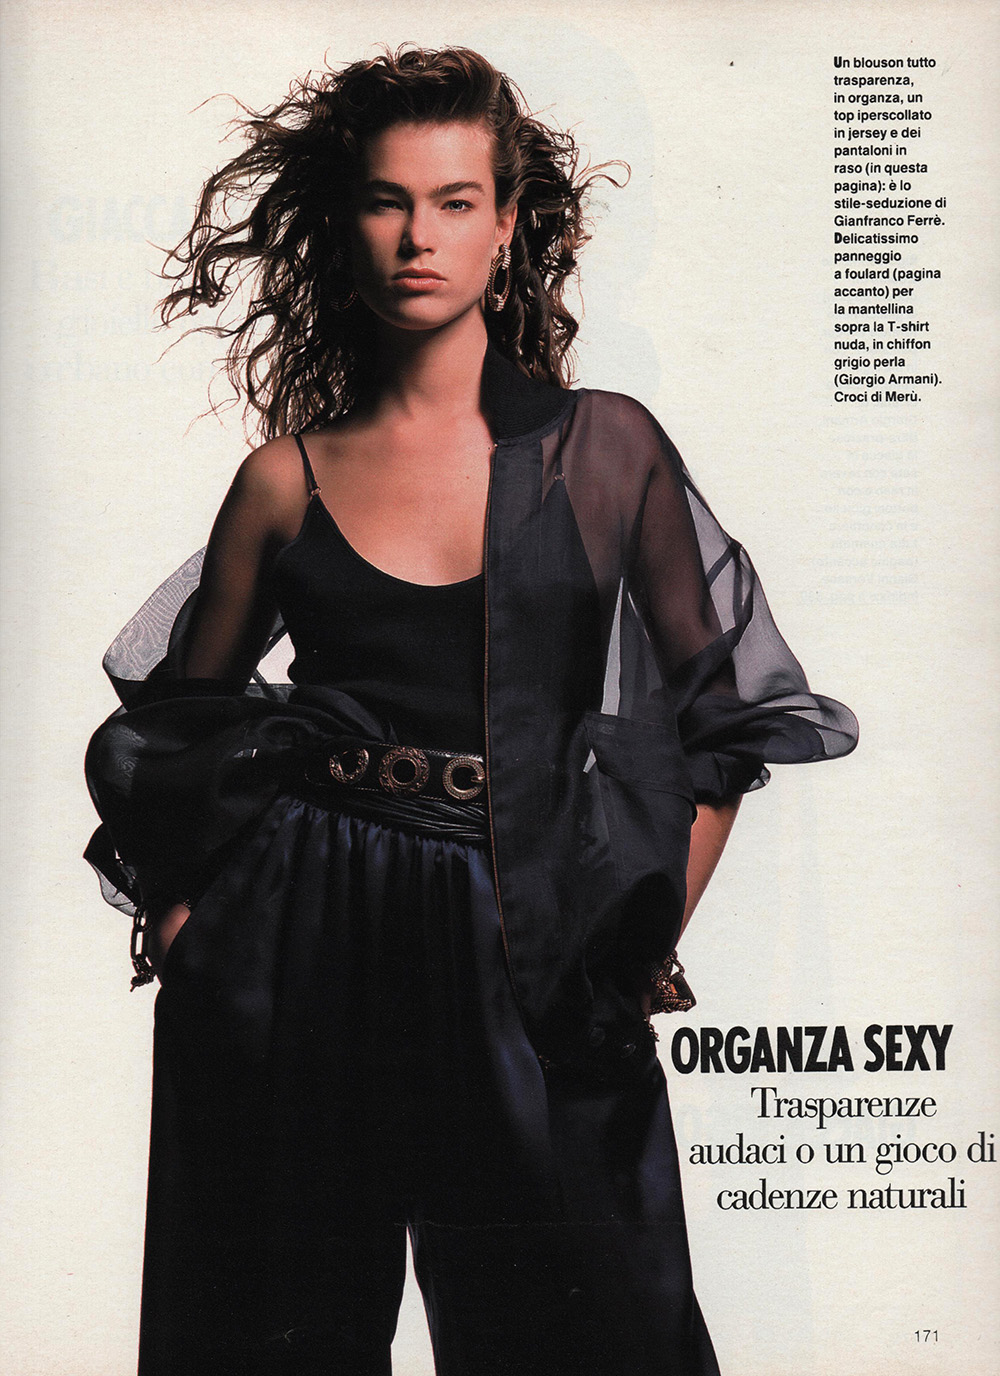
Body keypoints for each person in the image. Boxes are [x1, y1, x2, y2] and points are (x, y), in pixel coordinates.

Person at [85, 45, 858, 1376]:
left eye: (454, 202)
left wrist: (632, 936)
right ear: (345, 225)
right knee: (265, 1333)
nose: (417, 236)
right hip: (298, 935)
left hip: (528, 926)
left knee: (589, 1327)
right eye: (387, 201)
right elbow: (181, 730)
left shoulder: (607, 450)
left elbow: (723, 728)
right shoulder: (283, 478)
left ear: (508, 227)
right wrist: (185, 918)